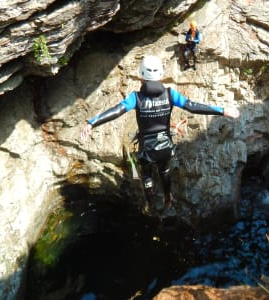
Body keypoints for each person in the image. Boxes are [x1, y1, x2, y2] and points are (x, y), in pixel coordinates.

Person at [81, 55, 240, 215]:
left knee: (147, 175)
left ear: (141, 76)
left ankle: (150, 204)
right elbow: (192, 106)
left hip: (146, 150)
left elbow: (117, 111)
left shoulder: (135, 98)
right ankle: (168, 198)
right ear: (161, 75)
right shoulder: (170, 94)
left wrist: (92, 123)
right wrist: (222, 110)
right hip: (165, 147)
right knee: (164, 171)